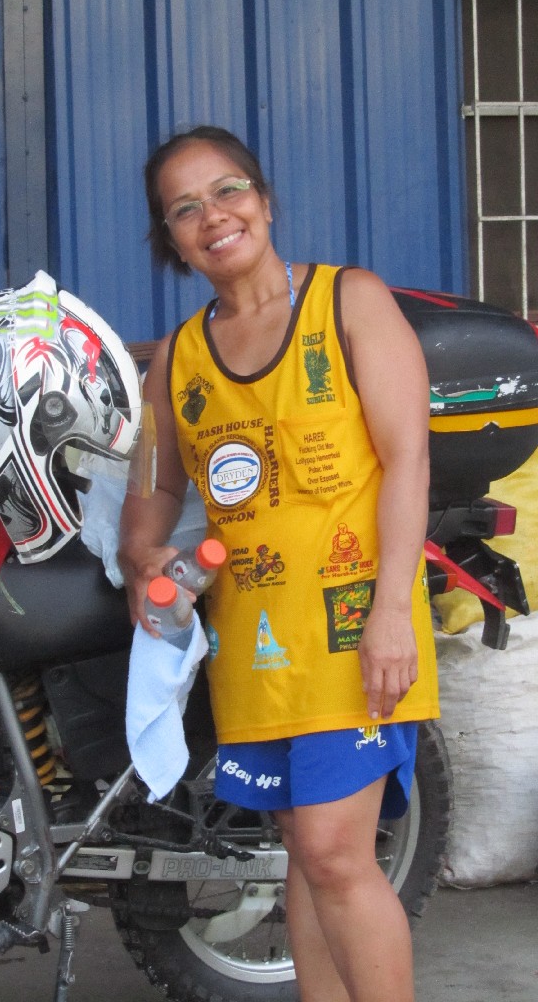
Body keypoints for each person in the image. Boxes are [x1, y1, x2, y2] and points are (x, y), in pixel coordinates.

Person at [118, 124, 439, 1002]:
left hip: (354, 626)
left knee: (334, 852)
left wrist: (391, 615)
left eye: (228, 190)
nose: (213, 216)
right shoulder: (178, 360)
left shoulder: (349, 301)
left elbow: (408, 459)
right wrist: (144, 556)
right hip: (253, 642)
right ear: (170, 237)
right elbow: (153, 485)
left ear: (263, 199)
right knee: (302, 847)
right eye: (184, 208)